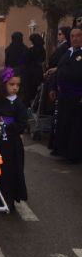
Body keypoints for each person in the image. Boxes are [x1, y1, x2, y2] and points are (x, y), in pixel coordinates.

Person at [0, 67, 28, 211]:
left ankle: (8, 199)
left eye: (17, 85)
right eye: (11, 84)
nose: (15, 88)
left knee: (10, 172)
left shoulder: (19, 104)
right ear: (3, 85)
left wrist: (8, 124)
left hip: (12, 146)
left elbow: (22, 124)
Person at [50, 25, 82, 163]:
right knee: (63, 123)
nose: (75, 39)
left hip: (77, 97)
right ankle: (61, 150)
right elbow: (59, 71)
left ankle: (73, 154)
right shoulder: (67, 53)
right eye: (72, 36)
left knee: (75, 126)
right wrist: (53, 88)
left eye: (78, 35)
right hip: (63, 96)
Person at [25, 33, 46, 106]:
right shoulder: (42, 49)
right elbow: (43, 59)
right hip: (39, 71)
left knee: (31, 89)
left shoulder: (31, 49)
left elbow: (27, 59)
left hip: (31, 71)